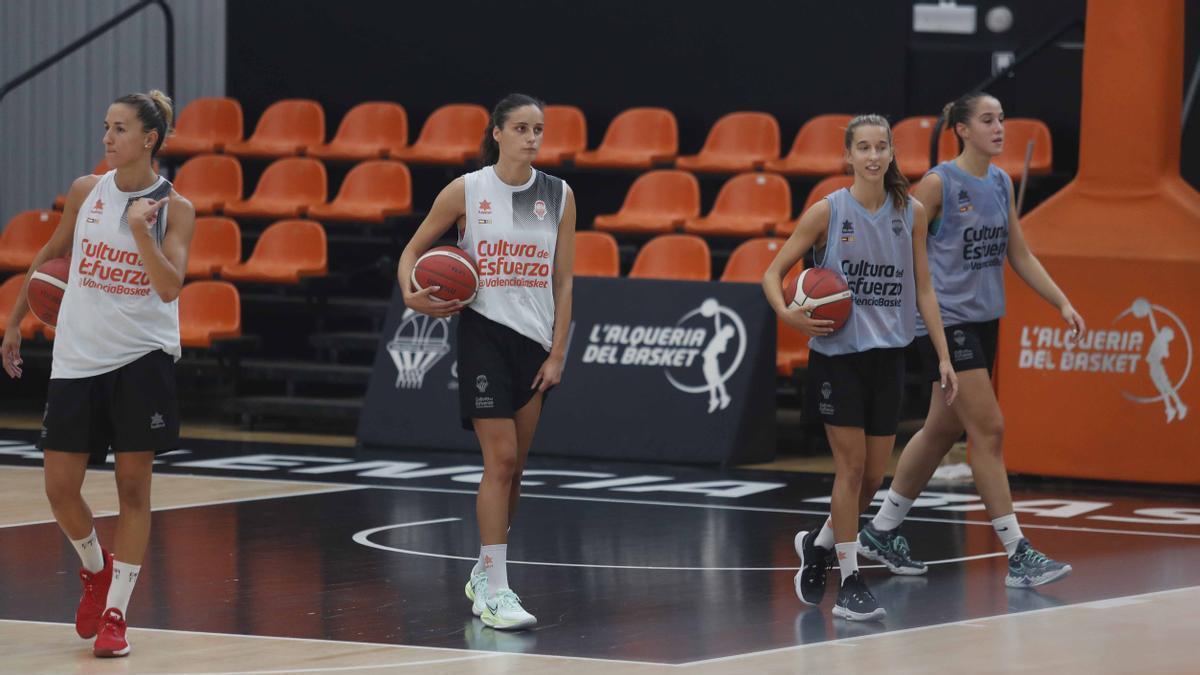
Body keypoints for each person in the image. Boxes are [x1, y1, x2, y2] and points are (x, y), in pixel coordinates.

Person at [857, 92, 1085, 588]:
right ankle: (1018, 553)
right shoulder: (940, 183)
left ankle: (880, 530)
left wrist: (1061, 302)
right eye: (988, 120)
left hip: (983, 321)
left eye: (1002, 118)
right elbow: (899, 238)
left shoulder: (1001, 181)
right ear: (962, 129)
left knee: (941, 430)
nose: (1000, 127)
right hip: (947, 324)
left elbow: (1019, 254)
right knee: (991, 429)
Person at [1, 90, 195, 657]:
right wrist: (14, 322)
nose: (107, 139)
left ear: (149, 140)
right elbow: (49, 257)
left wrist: (140, 230)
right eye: (106, 127)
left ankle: (116, 614)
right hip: (78, 358)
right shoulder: (87, 191)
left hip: (141, 358)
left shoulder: (174, 208)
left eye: (119, 129)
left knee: (132, 490)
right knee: (59, 489)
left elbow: (169, 287)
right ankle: (94, 567)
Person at [763, 114, 958, 621]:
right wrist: (790, 316)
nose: (873, 156)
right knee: (849, 470)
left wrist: (942, 354)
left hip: (889, 358)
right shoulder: (828, 213)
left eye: (881, 147)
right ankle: (850, 581)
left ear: (892, 154)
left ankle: (820, 544)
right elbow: (772, 272)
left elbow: (925, 290)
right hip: (837, 359)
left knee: (872, 477)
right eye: (863, 148)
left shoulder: (910, 213)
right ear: (847, 157)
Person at [396, 93, 575, 630]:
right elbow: (412, 250)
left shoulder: (559, 195)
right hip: (483, 333)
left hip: (536, 340)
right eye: (521, 128)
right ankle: (497, 590)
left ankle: (482, 570)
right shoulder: (468, 190)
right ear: (496, 132)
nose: (532, 138)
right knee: (498, 461)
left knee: (516, 468)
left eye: (538, 129)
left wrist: (559, 350)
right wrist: (411, 295)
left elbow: (563, 279)